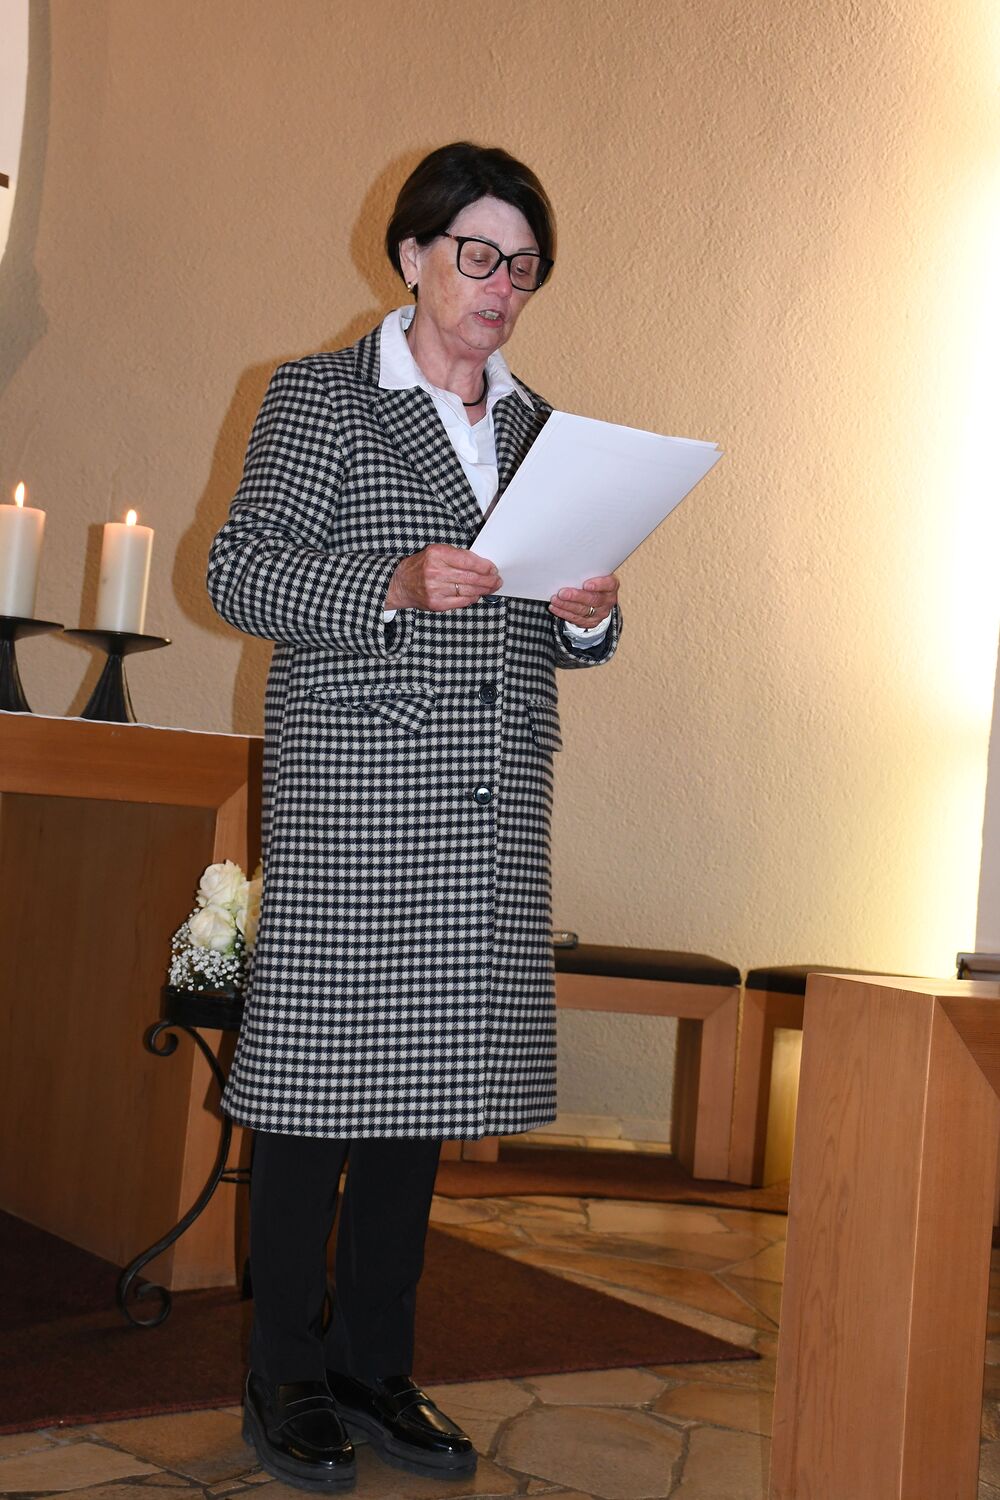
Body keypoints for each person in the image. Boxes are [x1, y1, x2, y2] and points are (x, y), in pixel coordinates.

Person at [207, 141, 622, 1491]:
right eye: (477, 254)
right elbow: (240, 571)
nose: (501, 285)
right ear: (413, 257)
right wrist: (388, 580)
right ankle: (284, 1373)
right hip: (359, 797)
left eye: (525, 266)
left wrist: (588, 614)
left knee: (419, 1098)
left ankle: (376, 1370)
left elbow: (547, 621)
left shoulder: (543, 430)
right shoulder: (320, 396)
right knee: (316, 1092)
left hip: (489, 802)